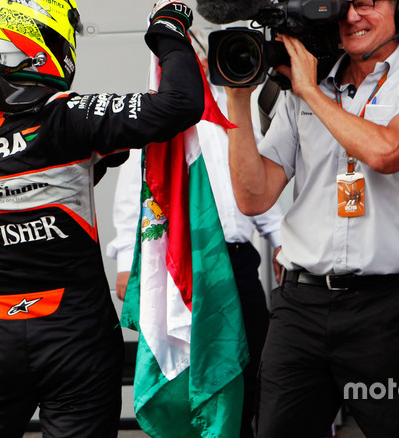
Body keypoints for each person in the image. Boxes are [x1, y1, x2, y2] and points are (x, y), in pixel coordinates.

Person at [0, 0, 203, 437]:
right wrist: (169, 33)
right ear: (40, 36)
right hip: (74, 336)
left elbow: (47, 174)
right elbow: (179, 104)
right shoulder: (63, 120)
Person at [225, 0, 399, 437]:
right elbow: (254, 196)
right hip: (299, 307)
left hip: (384, 311)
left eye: (366, 3)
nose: (351, 17)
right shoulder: (299, 92)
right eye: (342, 5)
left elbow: (387, 152)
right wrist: (239, 103)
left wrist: (310, 90)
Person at [106, 29, 284, 438]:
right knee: (189, 371)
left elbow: (258, 184)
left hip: (236, 264)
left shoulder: (233, 114)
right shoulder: (156, 120)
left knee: (247, 363)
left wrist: (281, 242)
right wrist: (123, 260)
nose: (197, 67)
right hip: (181, 264)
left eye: (200, 58)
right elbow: (136, 192)